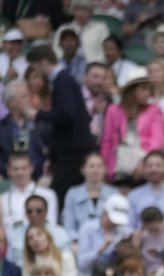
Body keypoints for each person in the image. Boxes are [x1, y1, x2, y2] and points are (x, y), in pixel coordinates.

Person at [26, 45, 96, 204]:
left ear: (43, 62)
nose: (36, 71)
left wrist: (38, 114)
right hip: (70, 150)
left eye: (35, 66)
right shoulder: (64, 80)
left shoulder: (62, 80)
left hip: (72, 153)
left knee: (59, 196)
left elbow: (66, 114)